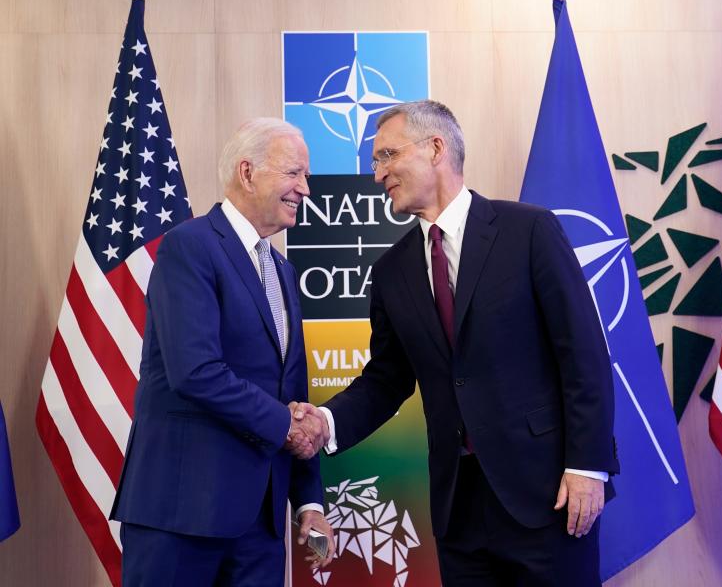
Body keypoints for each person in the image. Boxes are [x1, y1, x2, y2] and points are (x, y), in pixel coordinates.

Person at [297, 100, 618, 585]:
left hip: (548, 494)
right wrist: (324, 421)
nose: (377, 174)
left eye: (386, 156)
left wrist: (588, 467)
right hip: (459, 512)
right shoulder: (390, 272)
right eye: (376, 162)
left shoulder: (529, 231)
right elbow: (386, 380)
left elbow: (584, 355)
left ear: (435, 148)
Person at [110, 118, 333, 586]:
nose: (305, 189)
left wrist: (309, 500)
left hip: (261, 526)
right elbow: (195, 371)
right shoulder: (188, 247)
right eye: (294, 173)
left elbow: (292, 390)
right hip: (183, 513)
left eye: (305, 176)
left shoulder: (283, 271)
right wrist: (286, 428)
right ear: (247, 172)